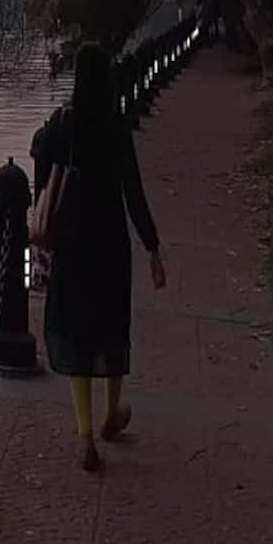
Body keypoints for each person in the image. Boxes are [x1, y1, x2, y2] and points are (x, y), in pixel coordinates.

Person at [36, 44, 165, 473]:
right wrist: (153, 247)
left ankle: (85, 434)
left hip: (73, 245)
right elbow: (134, 192)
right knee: (111, 329)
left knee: (75, 334)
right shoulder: (116, 127)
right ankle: (113, 413)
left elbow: (39, 151)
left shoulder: (63, 125)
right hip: (111, 244)